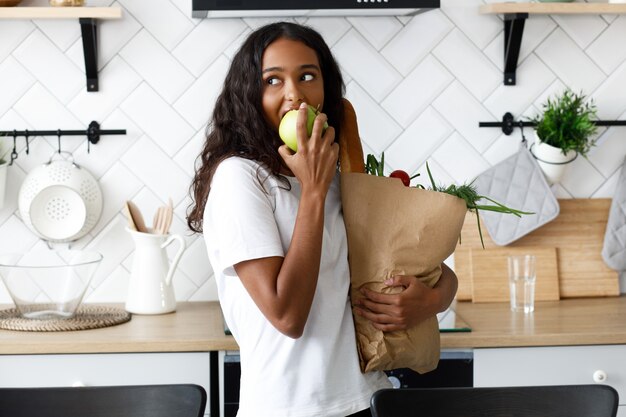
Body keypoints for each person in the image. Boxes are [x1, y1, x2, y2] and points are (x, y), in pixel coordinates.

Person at [187, 21, 458, 417]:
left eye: (307, 76)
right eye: (273, 80)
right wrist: (312, 191)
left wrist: (431, 300)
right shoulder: (240, 179)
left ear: (325, 88)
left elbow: (433, 270)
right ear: (249, 93)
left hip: (370, 399)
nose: (294, 94)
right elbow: (287, 315)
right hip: (290, 409)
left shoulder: (341, 174)